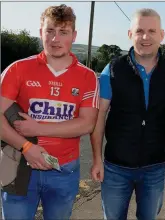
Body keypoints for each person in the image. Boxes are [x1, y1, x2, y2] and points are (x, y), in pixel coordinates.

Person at [0, 4, 99, 219]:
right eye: (50, 31)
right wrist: (26, 147)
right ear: (40, 33)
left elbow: (86, 124)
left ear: (73, 35)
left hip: (64, 169)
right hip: (19, 164)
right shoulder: (18, 69)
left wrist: (38, 127)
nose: (55, 39)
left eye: (63, 32)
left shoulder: (87, 76)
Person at [90, 8, 165, 220]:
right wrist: (96, 159)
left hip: (155, 168)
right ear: (130, 34)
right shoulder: (112, 70)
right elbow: (100, 116)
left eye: (152, 30)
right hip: (115, 167)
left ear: (162, 35)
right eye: (139, 31)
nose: (145, 37)